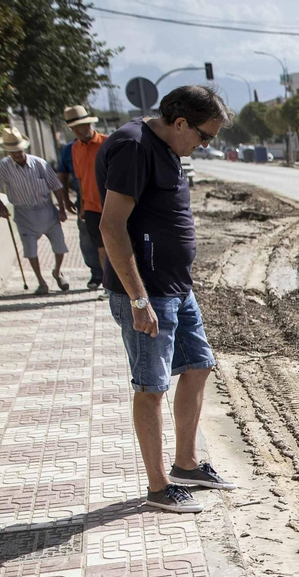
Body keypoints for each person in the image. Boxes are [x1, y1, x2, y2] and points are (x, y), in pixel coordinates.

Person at [96, 85, 237, 514]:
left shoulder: (168, 148)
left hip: (177, 288)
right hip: (148, 294)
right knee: (151, 387)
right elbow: (111, 226)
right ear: (179, 123)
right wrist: (139, 300)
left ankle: (186, 465)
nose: (206, 144)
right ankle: (158, 488)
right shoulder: (133, 147)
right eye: (205, 136)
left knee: (198, 365)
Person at [0, 127, 68, 294]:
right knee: (30, 249)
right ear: (8, 152)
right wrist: (0, 206)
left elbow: (56, 186)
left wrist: (62, 208)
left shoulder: (39, 163)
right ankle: (41, 282)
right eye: (12, 151)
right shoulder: (3, 168)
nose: (17, 154)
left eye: (19, 150)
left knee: (59, 246)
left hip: (47, 210)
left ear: (24, 148)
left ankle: (57, 272)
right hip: (23, 213)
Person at [56, 105, 106, 289]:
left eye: (81, 126)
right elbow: (79, 178)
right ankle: (103, 281)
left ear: (89, 124)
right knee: (96, 246)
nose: (79, 131)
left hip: (111, 204)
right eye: (74, 128)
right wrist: (81, 204)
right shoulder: (73, 149)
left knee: (119, 246)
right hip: (90, 205)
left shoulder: (107, 142)